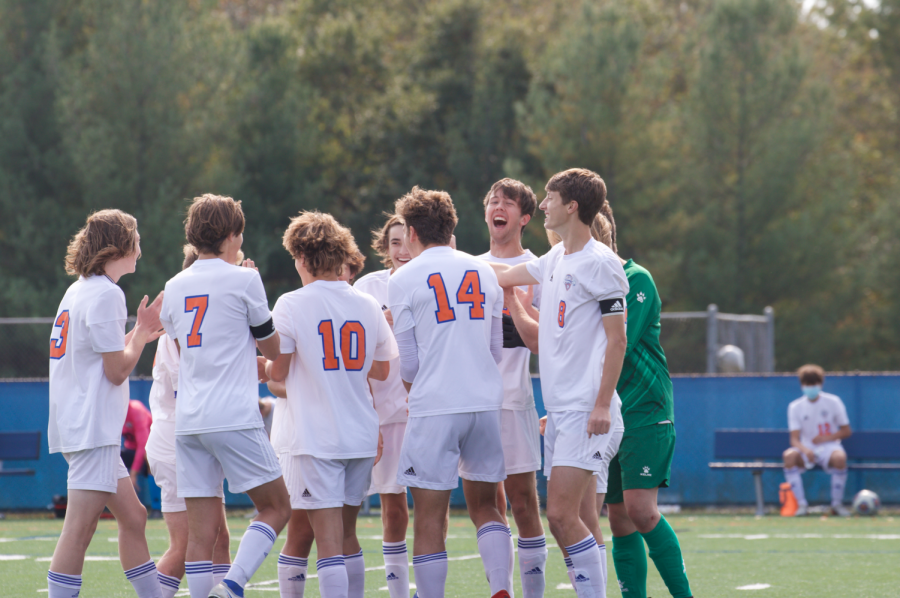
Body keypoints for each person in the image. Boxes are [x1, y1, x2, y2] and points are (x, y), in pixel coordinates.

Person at [491, 168, 628, 598]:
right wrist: (440, 263)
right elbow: (502, 274)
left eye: (549, 198)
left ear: (571, 206)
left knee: (562, 516)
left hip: (589, 411)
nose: (543, 204)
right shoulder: (554, 259)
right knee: (575, 517)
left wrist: (603, 404)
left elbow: (617, 339)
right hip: (564, 412)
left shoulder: (602, 263)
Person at [159, 194, 291, 598]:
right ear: (232, 235)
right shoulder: (245, 278)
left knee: (200, 537)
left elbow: (184, 347)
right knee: (278, 506)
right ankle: (232, 585)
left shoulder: (173, 285)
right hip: (232, 414)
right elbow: (272, 349)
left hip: (190, 420)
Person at [263, 211, 396, 598]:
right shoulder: (367, 303)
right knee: (348, 534)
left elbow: (280, 371)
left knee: (328, 544)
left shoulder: (290, 303)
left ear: (303, 258)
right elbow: (384, 370)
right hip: (359, 433)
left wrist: (264, 365)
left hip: (318, 438)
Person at [388, 187, 513, 598]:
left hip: (435, 406)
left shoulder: (403, 277)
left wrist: (423, 388)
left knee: (428, 518)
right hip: (483, 402)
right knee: (488, 507)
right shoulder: (484, 271)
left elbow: (408, 364)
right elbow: (496, 350)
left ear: (410, 232)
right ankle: (500, 589)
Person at [47, 209, 165, 598]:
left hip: (84, 425)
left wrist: (137, 332)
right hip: (92, 427)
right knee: (79, 529)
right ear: (120, 245)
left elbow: (105, 357)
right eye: (136, 239)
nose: (140, 249)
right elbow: (117, 370)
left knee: (134, 516)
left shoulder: (80, 289)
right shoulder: (106, 293)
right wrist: (142, 335)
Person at [147, 246, 232, 598]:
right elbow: (192, 396)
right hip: (179, 445)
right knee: (184, 548)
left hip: (188, 444)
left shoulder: (190, 328)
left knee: (219, 540)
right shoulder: (180, 334)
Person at [479, 178, 548, 598]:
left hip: (515, 400)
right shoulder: (467, 265)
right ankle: (500, 591)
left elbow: (542, 339)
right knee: (486, 503)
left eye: (506, 202)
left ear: (524, 217)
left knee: (523, 503)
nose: (497, 206)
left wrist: (517, 301)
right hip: (473, 402)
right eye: (491, 200)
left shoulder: (539, 268)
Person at [353, 213, 414, 598]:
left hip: (416, 411)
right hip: (373, 414)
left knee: (420, 507)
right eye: (394, 242)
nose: (402, 250)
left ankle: (416, 589)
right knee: (377, 509)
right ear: (384, 247)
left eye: (407, 240)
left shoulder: (432, 281)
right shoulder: (365, 288)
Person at [783, 364, 852, 517]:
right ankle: (801, 505)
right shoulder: (795, 407)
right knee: (789, 456)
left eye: (814, 384)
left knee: (840, 458)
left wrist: (827, 438)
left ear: (820, 384)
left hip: (829, 446)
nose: (811, 388)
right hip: (806, 447)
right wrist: (806, 450)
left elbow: (846, 431)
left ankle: (836, 505)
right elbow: (794, 439)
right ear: (802, 385)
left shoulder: (833, 402)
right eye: (807, 384)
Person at [122, 399, 153, 491]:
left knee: (148, 457)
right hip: (131, 450)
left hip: (150, 451)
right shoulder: (111, 412)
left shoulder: (136, 410)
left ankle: (157, 497)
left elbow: (143, 445)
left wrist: (133, 475)